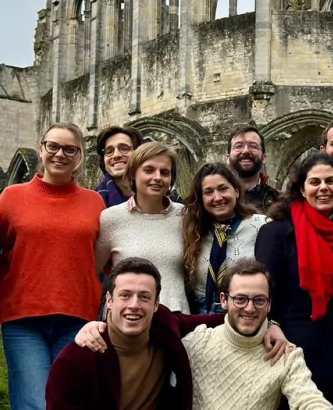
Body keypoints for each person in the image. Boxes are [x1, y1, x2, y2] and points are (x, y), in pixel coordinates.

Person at [0, 123, 106, 410]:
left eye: (70, 149)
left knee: (68, 401)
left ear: (80, 157)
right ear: (41, 150)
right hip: (23, 318)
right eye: (52, 146)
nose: (60, 154)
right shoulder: (11, 198)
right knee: (34, 402)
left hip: (78, 317)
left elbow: (103, 259)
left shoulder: (95, 202)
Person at [258, 152, 333, 403]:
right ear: (302, 189)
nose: (324, 188)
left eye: (331, 181)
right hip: (296, 356)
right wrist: (271, 324)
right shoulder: (276, 232)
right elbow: (264, 291)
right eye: (315, 182)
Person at [45, 258, 222, 409]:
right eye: (125, 295)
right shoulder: (74, 362)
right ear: (109, 300)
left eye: (144, 297)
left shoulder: (164, 326)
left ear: (156, 304)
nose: (134, 305)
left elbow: (218, 320)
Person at [183, 258, 333, 410]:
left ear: (269, 304)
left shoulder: (284, 353)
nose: (249, 308)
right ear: (224, 300)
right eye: (240, 299)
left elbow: (309, 400)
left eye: (259, 300)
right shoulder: (198, 342)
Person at [97, 141, 191, 312]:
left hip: (176, 320)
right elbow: (93, 275)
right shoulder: (111, 218)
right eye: (149, 170)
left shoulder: (184, 215)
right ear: (133, 173)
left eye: (164, 172)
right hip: (126, 321)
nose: (157, 177)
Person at [181, 163, 270, 314]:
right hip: (202, 318)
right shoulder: (193, 230)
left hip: (247, 313)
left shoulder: (261, 226)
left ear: (236, 191)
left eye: (223, 189)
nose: (217, 197)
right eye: (208, 192)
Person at [228, 125, 281, 210]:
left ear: (264, 158)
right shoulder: (218, 201)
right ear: (228, 158)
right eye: (238, 146)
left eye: (253, 146)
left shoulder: (280, 202)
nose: (245, 151)